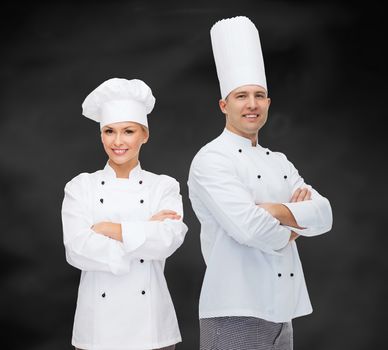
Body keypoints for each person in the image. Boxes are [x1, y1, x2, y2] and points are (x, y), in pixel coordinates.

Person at [188, 16, 333, 350]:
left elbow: (324, 214)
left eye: (259, 95)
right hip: (233, 310)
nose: (251, 104)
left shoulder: (279, 161)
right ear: (224, 105)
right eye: (241, 96)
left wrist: (273, 210)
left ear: (268, 103)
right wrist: (296, 224)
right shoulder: (212, 159)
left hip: (283, 310)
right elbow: (250, 229)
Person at [61, 78, 187, 350]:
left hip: (152, 331)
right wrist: (144, 231)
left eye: (128, 131)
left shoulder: (163, 185)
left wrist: (107, 228)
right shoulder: (80, 186)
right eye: (109, 131)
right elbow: (76, 250)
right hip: (97, 332)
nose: (118, 141)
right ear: (101, 135)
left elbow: (168, 240)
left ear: (144, 134)